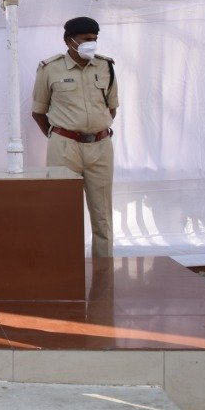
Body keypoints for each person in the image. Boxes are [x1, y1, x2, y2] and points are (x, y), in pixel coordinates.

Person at [31, 16, 118, 258]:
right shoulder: (50, 69)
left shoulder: (106, 66)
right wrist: (60, 136)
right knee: (61, 211)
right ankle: (63, 266)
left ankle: (103, 269)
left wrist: (95, 129)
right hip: (65, 147)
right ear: (70, 40)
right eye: (86, 39)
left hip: (100, 147)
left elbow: (111, 108)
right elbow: (38, 112)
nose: (92, 44)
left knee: (102, 214)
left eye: (95, 39)